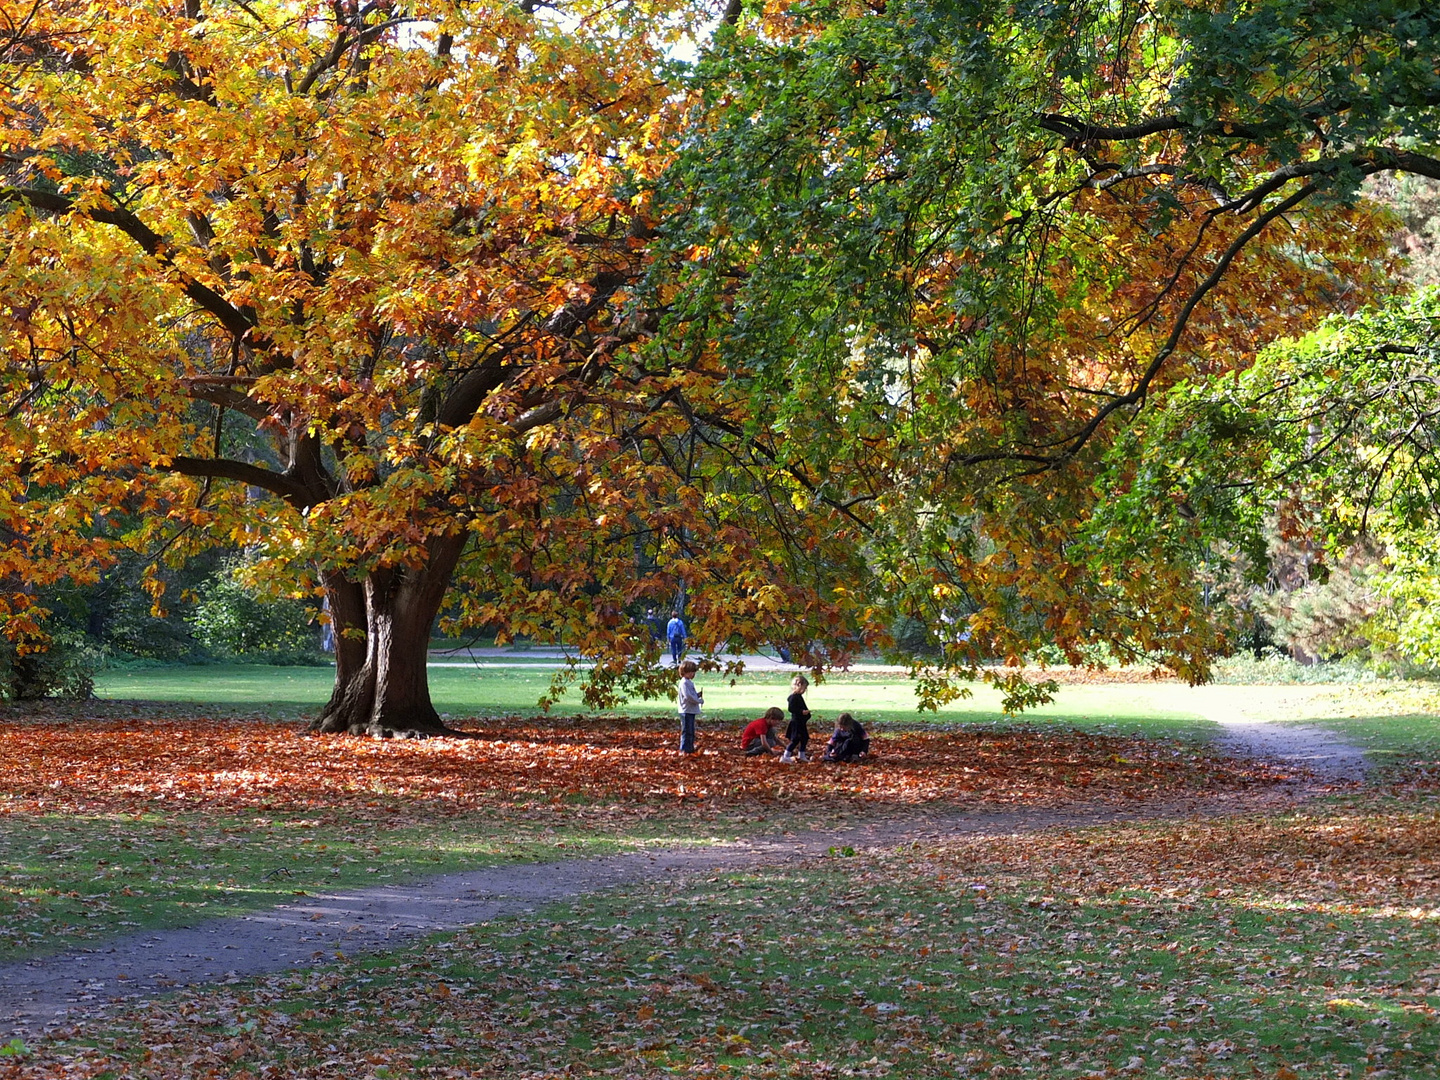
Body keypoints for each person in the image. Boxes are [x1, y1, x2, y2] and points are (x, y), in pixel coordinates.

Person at [780, 674, 811, 763]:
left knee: (804, 738)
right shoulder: (793, 697)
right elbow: (791, 709)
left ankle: (801, 755)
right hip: (796, 722)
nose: (805, 690)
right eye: (804, 688)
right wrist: (801, 712)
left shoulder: (798, 697)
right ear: (799, 686)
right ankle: (786, 755)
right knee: (795, 740)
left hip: (801, 722)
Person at [676, 659, 703, 754]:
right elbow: (688, 696)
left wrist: (697, 695)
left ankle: (690, 747)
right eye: (691, 672)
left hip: (690, 710)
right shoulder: (684, 683)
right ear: (685, 672)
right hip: (686, 710)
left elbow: (691, 694)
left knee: (691, 730)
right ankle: (684, 748)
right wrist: (698, 700)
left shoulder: (688, 682)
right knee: (687, 730)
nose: (693, 674)